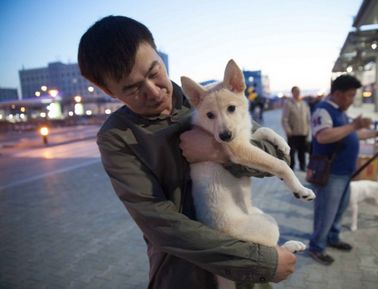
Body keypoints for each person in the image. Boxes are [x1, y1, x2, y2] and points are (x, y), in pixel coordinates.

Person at [78, 15, 296, 289]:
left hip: (248, 268)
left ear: (159, 55)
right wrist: (262, 262)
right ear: (107, 90)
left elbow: (277, 156)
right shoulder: (118, 138)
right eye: (132, 89)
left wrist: (217, 152)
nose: (154, 92)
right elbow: (161, 224)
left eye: (154, 73)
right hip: (185, 275)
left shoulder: (207, 101)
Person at [308, 75, 378, 265]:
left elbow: (354, 133)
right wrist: (353, 125)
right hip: (331, 173)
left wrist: (376, 133)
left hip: (344, 173)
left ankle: (332, 237)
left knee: (339, 209)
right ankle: (316, 247)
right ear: (337, 94)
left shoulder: (340, 112)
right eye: (350, 95)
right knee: (326, 212)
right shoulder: (323, 110)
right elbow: (323, 136)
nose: (352, 100)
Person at [281, 86, 310, 171]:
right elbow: (284, 119)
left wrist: (308, 130)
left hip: (303, 132)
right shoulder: (288, 104)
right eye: (295, 92)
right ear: (292, 93)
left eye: (298, 91)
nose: (297, 93)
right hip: (293, 133)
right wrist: (288, 131)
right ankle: (291, 167)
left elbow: (307, 118)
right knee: (292, 152)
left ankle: (302, 166)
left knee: (302, 151)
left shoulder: (304, 104)